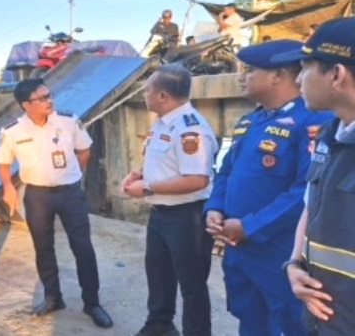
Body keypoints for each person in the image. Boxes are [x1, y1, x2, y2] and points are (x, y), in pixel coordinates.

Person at [204, 40, 333, 336]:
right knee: (249, 319)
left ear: (277, 76)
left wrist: (250, 226)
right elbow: (226, 171)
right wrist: (215, 208)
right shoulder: (250, 120)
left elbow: (307, 191)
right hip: (240, 249)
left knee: (289, 322)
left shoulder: (314, 120)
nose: (241, 76)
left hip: (279, 251)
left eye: (249, 70)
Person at [0, 78, 113, 329]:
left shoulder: (68, 121)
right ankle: (53, 297)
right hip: (37, 196)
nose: (50, 101)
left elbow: (85, 150)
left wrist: (74, 175)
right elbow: (3, 163)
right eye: (42, 98)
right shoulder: (12, 131)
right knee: (43, 247)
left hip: (70, 194)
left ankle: (92, 303)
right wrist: (7, 187)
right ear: (26, 105)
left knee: (83, 247)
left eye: (49, 95)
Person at [121, 64, 218, 336]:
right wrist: (139, 173)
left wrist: (148, 187)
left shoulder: (191, 129)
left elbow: (198, 180)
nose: (144, 94)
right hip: (161, 214)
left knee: (192, 285)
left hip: (187, 217)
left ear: (162, 95)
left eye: (147, 89)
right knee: (159, 273)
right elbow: (165, 161)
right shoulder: (163, 122)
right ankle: (159, 325)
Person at [273, 17, 355, 336]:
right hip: (322, 318)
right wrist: (294, 264)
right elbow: (311, 204)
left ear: (336, 74)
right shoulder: (328, 135)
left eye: (305, 69)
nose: (298, 81)